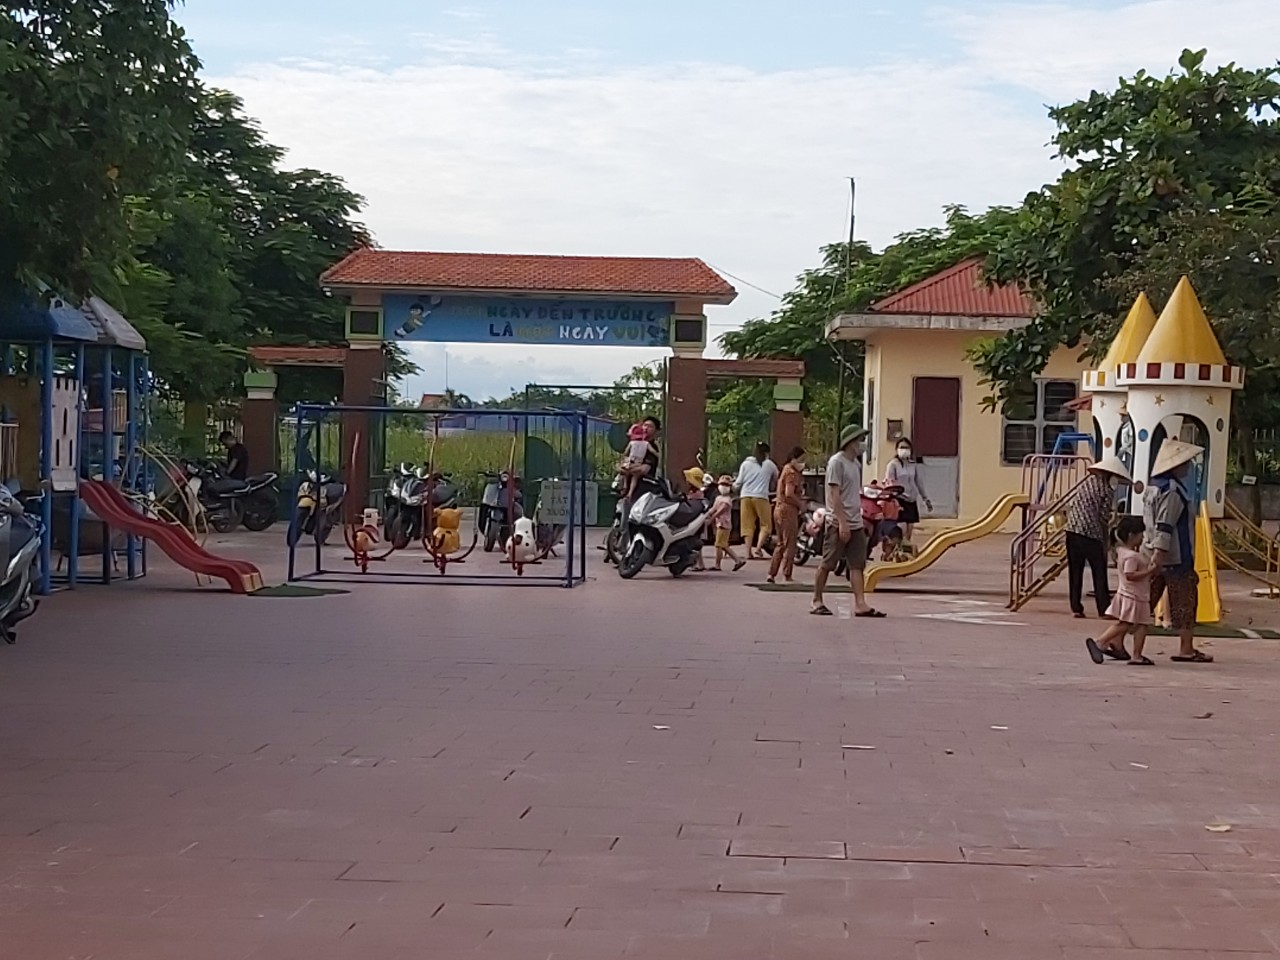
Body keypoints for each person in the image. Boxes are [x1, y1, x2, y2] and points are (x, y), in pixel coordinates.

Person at [1143, 439, 1212, 663]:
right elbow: (1165, 524)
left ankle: (1116, 640)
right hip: (1174, 556)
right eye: (1185, 463)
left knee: (1142, 602)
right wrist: (1159, 553)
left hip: (1151, 552)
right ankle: (1186, 648)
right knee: (1185, 603)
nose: (1188, 467)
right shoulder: (1172, 491)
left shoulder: (1153, 487)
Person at [812, 425, 883, 618]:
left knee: (857, 564)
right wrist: (842, 522)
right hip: (837, 522)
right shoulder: (837, 463)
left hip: (856, 521)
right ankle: (817, 600)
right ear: (851, 442)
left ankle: (860, 603)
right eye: (859, 440)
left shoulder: (855, 464)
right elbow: (834, 495)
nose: (862, 444)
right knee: (828, 563)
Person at [1063, 456, 1131, 618]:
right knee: (1099, 570)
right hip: (1090, 533)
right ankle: (1104, 608)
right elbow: (1102, 517)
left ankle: (1076, 607)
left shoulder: (1086, 483)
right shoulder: (1106, 490)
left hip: (1071, 530)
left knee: (1075, 570)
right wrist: (1105, 539)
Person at [1086, 516, 1156, 665]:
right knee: (1129, 624)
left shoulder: (1122, 552)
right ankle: (1101, 642)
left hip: (1132, 594)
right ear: (1131, 535)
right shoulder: (1132, 557)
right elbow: (1130, 575)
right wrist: (1149, 571)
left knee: (1136, 624)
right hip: (1135, 596)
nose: (1142, 538)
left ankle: (1130, 651)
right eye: (1141, 535)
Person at [767, 446, 806, 584]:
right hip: (788, 510)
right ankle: (787, 574)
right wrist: (800, 504)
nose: (803, 463)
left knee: (781, 543)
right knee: (790, 544)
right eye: (801, 459)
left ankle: (772, 573)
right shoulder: (791, 473)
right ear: (794, 459)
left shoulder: (785, 469)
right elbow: (789, 493)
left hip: (779, 509)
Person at [735, 442, 778, 560]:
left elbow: (739, 482)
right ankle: (758, 548)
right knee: (766, 525)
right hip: (761, 497)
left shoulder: (745, 464)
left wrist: (732, 487)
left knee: (747, 525)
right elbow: (776, 477)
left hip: (745, 496)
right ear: (766, 453)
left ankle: (748, 552)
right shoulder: (769, 464)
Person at [883, 438, 931, 543]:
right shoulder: (893, 465)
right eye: (901, 447)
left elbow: (919, 482)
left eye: (906, 447)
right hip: (900, 499)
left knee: (909, 531)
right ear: (897, 449)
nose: (904, 450)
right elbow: (889, 483)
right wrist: (892, 499)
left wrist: (926, 499)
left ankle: (905, 549)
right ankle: (899, 548)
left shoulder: (913, 464)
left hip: (911, 500)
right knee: (902, 529)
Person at [709, 475, 746, 572]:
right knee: (722, 545)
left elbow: (720, 510)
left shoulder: (727, 500)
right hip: (719, 524)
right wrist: (707, 514)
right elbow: (714, 508)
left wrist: (712, 517)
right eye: (722, 484)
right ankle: (736, 561)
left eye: (726, 485)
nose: (723, 487)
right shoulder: (718, 498)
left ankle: (721, 564)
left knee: (720, 545)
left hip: (724, 525)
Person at [683, 466, 709, 571]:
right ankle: (700, 563)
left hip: (696, 520)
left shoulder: (697, 493)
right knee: (696, 541)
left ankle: (697, 563)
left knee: (695, 541)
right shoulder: (695, 492)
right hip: (696, 520)